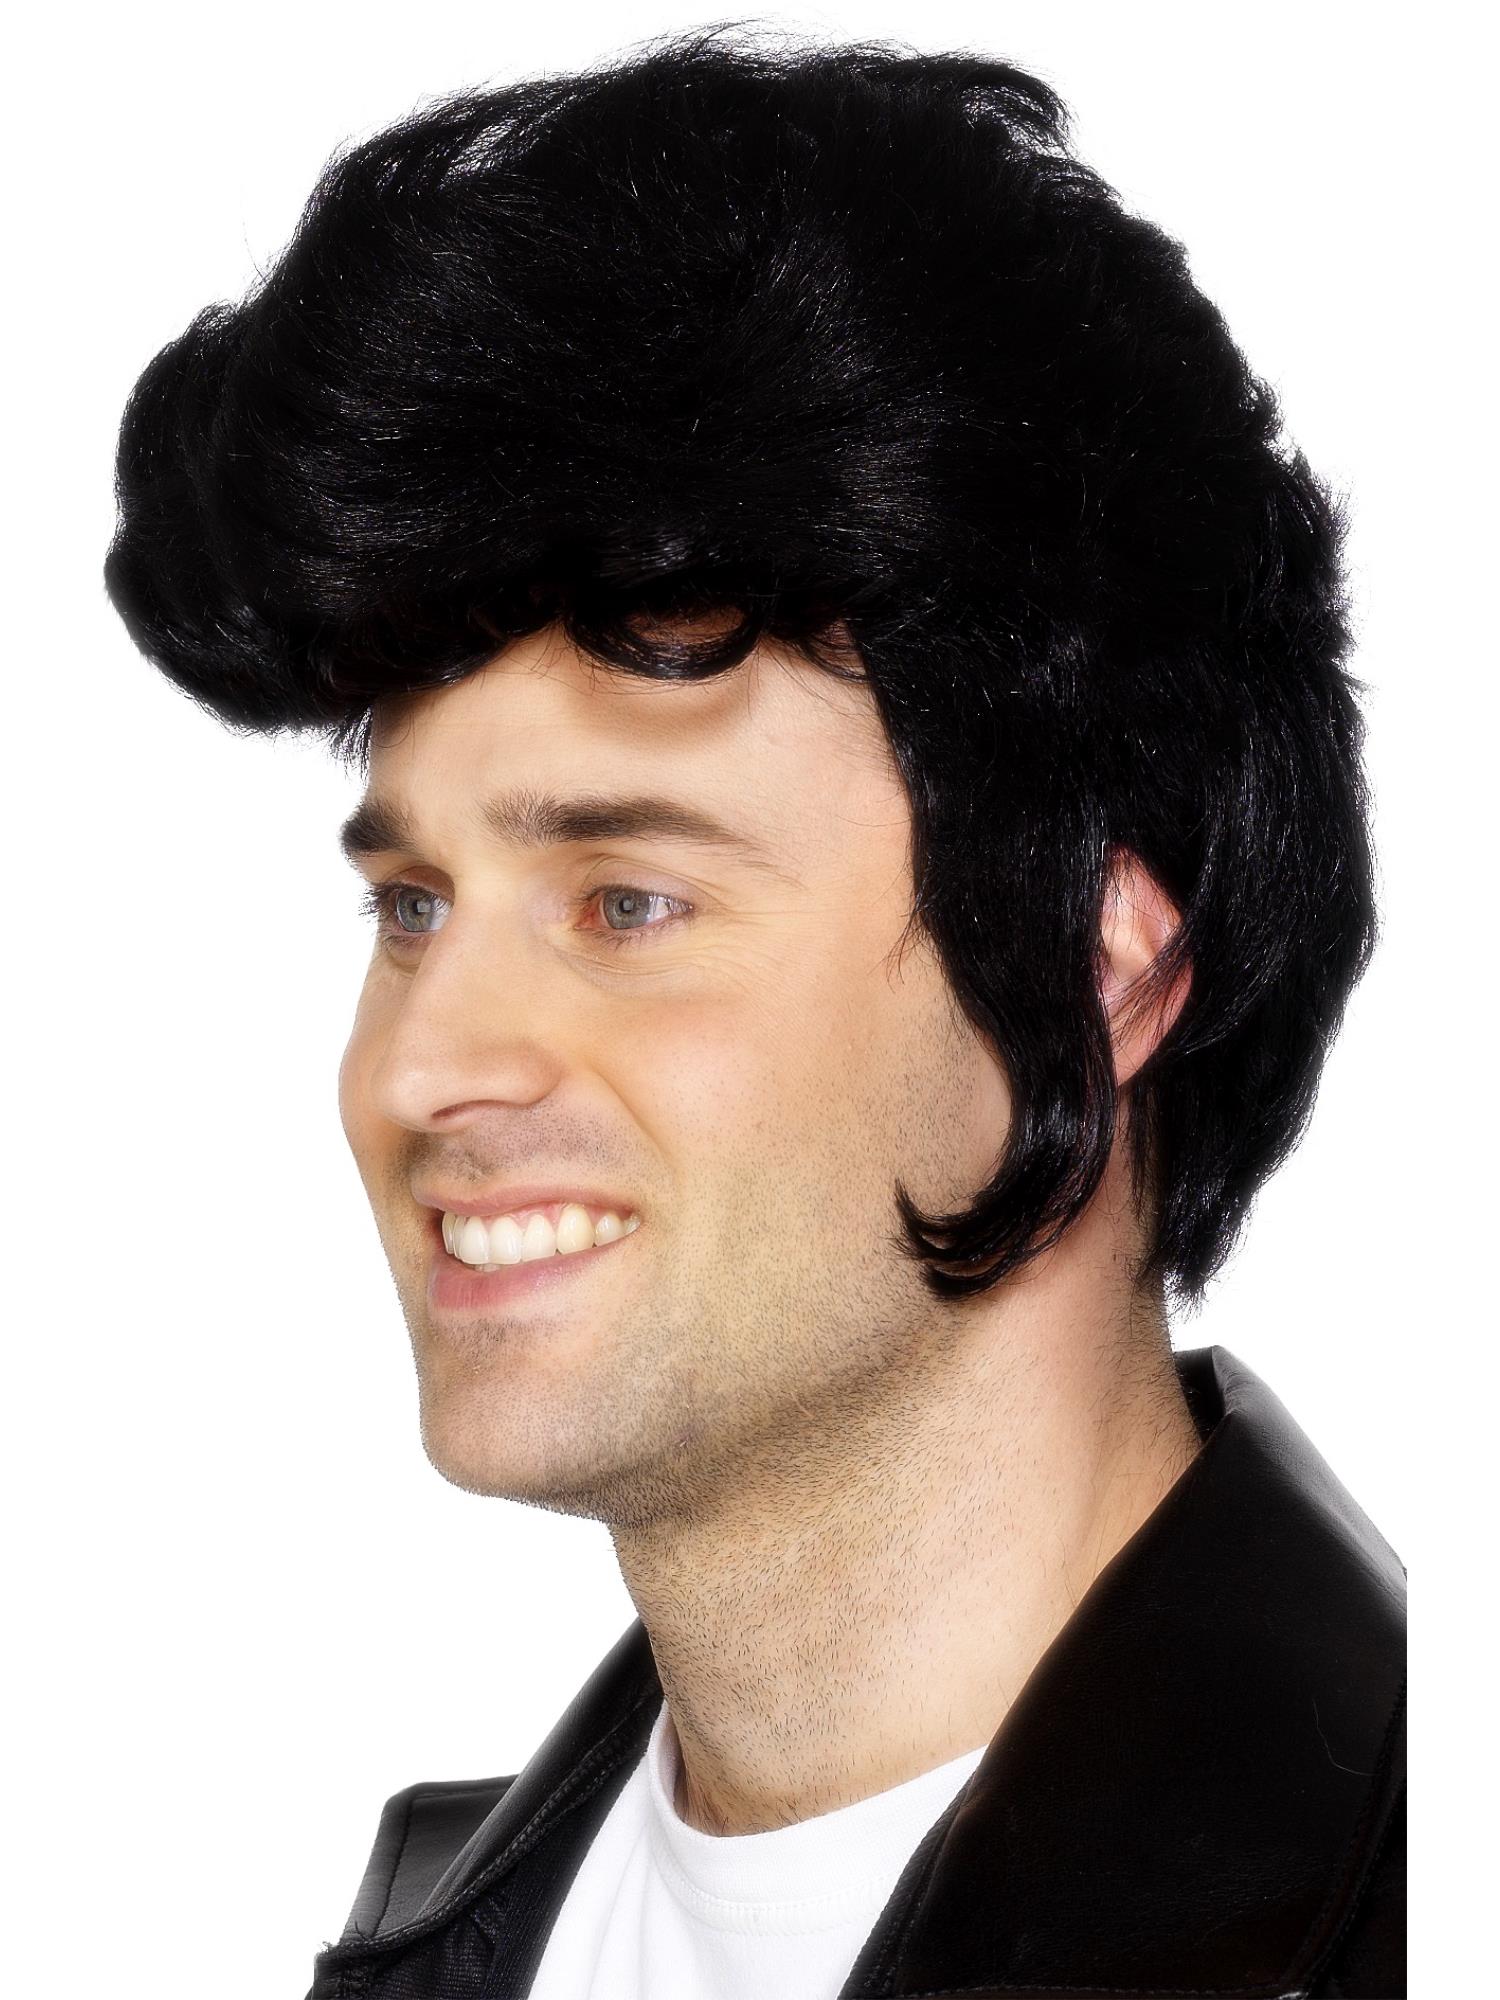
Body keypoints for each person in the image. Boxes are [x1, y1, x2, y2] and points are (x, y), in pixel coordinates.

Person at [102, 26, 1406, 1999]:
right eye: (413, 905)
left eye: (628, 901)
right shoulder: (442, 1937)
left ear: (1101, 969)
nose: (424, 1066)